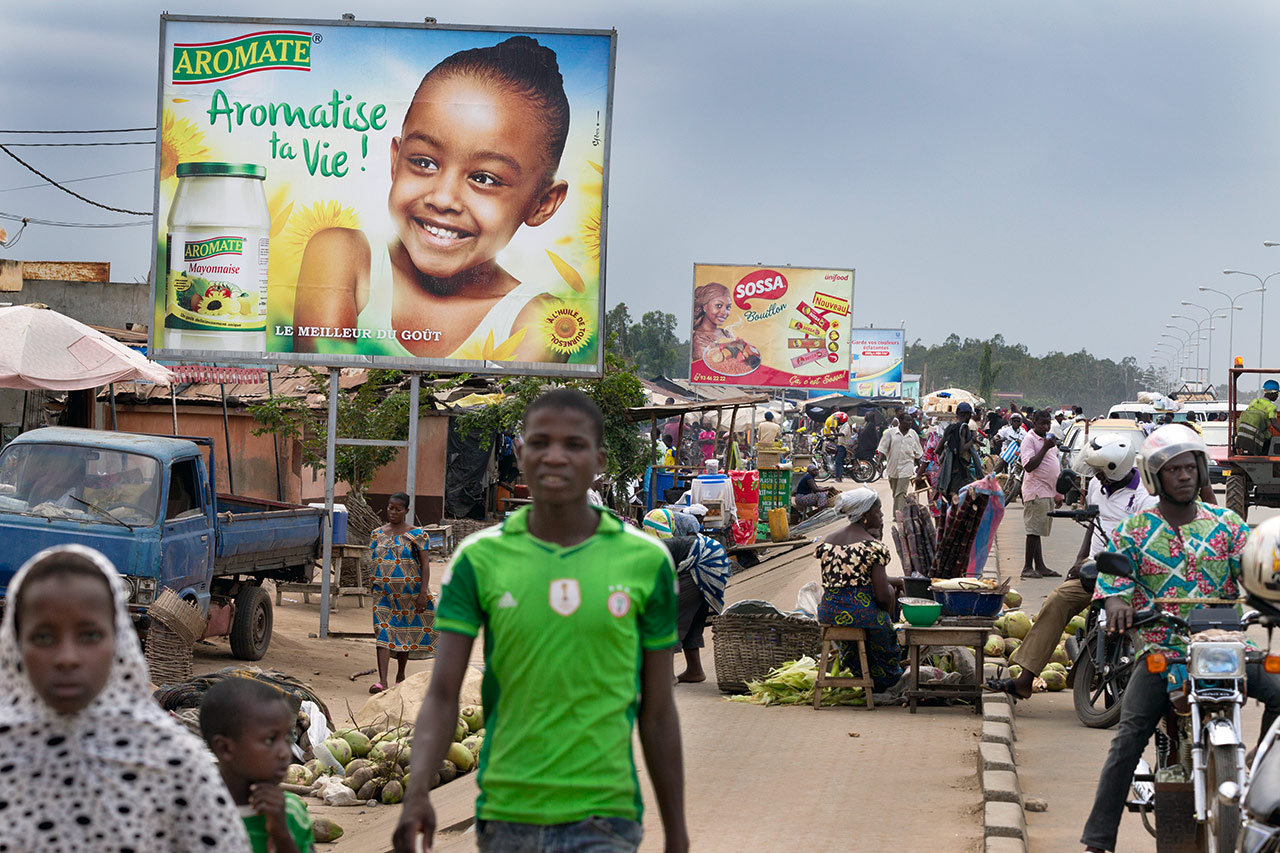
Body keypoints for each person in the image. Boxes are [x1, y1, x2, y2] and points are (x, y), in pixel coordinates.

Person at [394, 389, 687, 853]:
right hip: (507, 815)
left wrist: (677, 831)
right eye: (540, 442)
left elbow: (657, 710)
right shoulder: (478, 559)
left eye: (574, 445)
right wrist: (415, 795)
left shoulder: (645, 561)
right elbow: (443, 694)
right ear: (520, 450)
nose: (555, 456)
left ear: (600, 461)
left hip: (605, 818)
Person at [295, 36, 571, 361]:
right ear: (396, 161)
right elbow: (323, 392)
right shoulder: (343, 255)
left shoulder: (541, 320)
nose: (442, 198)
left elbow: (496, 413)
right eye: (424, 162)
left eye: (484, 179)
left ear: (543, 202)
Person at [1080, 424, 1280, 853]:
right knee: (1129, 735)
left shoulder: (1226, 525)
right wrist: (1116, 602)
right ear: (1156, 478)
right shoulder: (1134, 529)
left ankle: (1263, 774)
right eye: (1175, 470)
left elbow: (1258, 566)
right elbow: (1113, 577)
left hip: (1226, 646)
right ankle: (1098, 841)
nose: (1186, 476)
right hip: (1163, 647)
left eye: (1191, 467)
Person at [0, 545, 249, 852]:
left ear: (118, 640)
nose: (67, 658)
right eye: (43, 637)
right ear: (15, 643)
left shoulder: (174, 764)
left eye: (89, 635)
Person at [986, 433, 1154, 701]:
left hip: (1131, 573)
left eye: (1100, 471)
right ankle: (1026, 678)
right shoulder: (1098, 487)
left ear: (1117, 468)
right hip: (1096, 569)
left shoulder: (1146, 497)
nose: (1096, 477)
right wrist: (1080, 559)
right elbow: (1092, 522)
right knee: (1057, 600)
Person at [201, 678, 314, 853]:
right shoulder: (197, 814)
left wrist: (281, 834)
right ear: (225, 748)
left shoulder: (291, 812)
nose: (285, 752)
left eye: (287, 739)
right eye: (270, 740)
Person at [815, 489, 904, 693]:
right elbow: (882, 597)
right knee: (883, 624)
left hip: (828, 612)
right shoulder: (873, 547)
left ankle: (854, 668)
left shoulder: (828, 542)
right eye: (878, 511)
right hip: (860, 614)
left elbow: (846, 578)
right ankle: (883, 679)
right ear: (865, 516)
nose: (881, 516)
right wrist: (889, 609)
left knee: (868, 621)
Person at [368, 491, 434, 694]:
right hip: (383, 594)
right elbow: (373, 560)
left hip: (409, 595)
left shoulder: (417, 535)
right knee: (383, 631)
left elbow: (424, 564)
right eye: (390, 508)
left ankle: (400, 675)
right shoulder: (377, 534)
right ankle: (382, 682)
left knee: (403, 634)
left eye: (398, 509)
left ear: (406, 510)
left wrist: (422, 594)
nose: (393, 512)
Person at [647, 530, 730, 684]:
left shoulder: (649, 552)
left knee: (671, 618)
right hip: (713, 562)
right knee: (692, 620)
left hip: (704, 563)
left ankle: (667, 675)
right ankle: (695, 670)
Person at [1018, 409, 1062, 579]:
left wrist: (1058, 494)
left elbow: (1054, 466)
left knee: (1038, 530)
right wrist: (1044, 447)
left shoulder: (1049, 440)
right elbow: (1029, 466)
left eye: (1047, 423)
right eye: (1042, 423)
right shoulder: (1030, 440)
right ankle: (1027, 567)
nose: (1045, 426)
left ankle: (1040, 566)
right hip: (1035, 490)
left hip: (1047, 491)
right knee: (1033, 530)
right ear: (1034, 422)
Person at [877, 409, 924, 514]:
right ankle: (899, 511)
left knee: (901, 492)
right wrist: (879, 462)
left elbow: (918, 453)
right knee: (895, 492)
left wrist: (920, 469)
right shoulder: (890, 433)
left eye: (911, 421)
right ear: (900, 421)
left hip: (907, 467)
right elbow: (883, 449)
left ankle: (898, 514)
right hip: (892, 467)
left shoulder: (913, 434)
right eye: (907, 421)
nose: (909, 423)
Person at [1235, 378, 1280, 455]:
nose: (1277, 397)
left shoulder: (1254, 402)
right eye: (1277, 394)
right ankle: (1265, 456)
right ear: (1273, 393)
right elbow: (1275, 424)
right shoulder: (1271, 407)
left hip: (1243, 435)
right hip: (1259, 437)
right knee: (1271, 438)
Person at [691, 282, 734, 357]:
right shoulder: (699, 339)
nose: (725, 312)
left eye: (728, 307)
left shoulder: (725, 333)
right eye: (719, 306)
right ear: (705, 306)